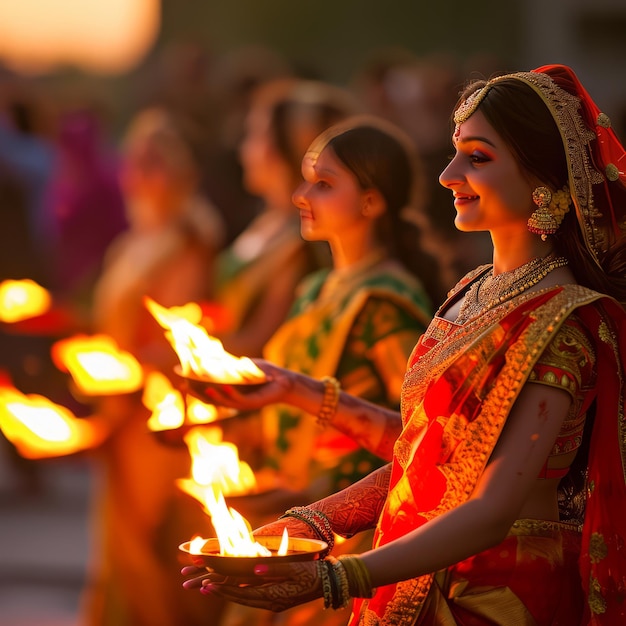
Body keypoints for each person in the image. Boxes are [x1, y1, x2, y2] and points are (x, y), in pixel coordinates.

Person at [182, 64, 626, 625]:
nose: (447, 174)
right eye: (455, 151)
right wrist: (312, 524)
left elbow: (491, 508)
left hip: (494, 595)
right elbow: (426, 458)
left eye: (478, 158)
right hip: (415, 571)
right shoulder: (472, 293)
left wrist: (338, 576)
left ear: (547, 181)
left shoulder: (561, 322)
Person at [217, 116, 434, 626]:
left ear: (372, 202)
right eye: (305, 178)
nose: (299, 195)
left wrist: (320, 491)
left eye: (323, 183)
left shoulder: (386, 303)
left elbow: (423, 432)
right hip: (288, 510)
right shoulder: (316, 289)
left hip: (344, 531)